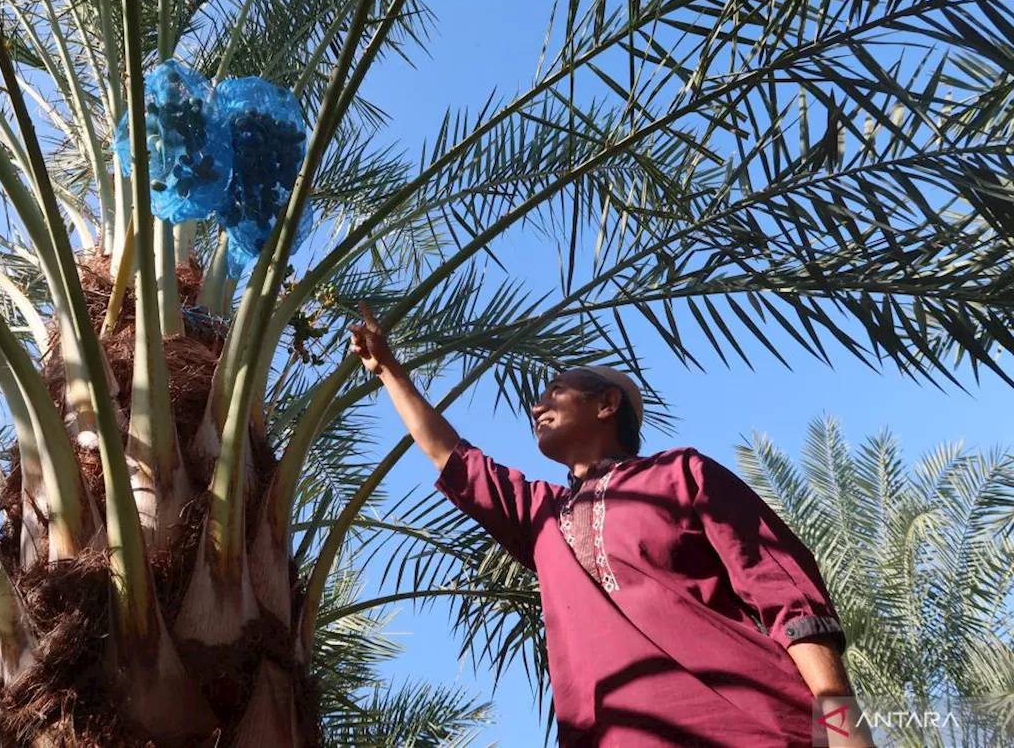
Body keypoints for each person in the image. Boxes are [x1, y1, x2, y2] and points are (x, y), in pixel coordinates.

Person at [348, 304, 874, 748]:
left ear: (607, 402)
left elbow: (789, 600)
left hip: (752, 732)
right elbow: (451, 456)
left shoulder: (682, 474)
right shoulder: (541, 517)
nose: (537, 404)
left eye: (555, 390)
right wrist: (389, 369)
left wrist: (846, 733)